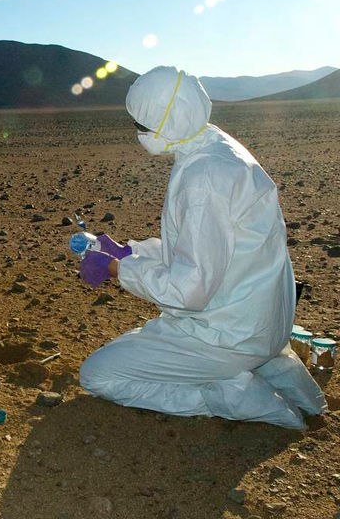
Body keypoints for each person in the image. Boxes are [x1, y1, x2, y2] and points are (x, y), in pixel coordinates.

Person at [77, 65, 327, 429]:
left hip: (227, 335)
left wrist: (116, 269)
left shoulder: (203, 179)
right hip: (259, 321)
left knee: (98, 374)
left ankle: (232, 394)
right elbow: (206, 249)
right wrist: (130, 252)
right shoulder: (214, 146)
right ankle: (271, 373)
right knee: (145, 340)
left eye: (143, 125)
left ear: (169, 120)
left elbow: (189, 289)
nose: (140, 133)